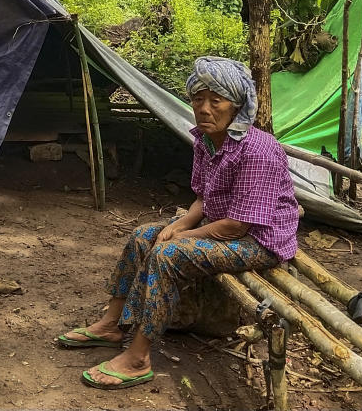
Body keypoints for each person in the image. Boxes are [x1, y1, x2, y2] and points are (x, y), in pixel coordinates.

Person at [56, 56, 299, 390]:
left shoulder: (257, 149)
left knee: (167, 256)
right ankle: (112, 324)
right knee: (143, 235)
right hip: (222, 223)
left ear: (237, 106)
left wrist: (182, 238)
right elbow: (204, 197)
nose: (205, 108)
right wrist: (181, 224)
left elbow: (237, 227)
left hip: (260, 240)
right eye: (198, 99)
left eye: (216, 100)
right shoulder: (205, 139)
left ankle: (139, 358)